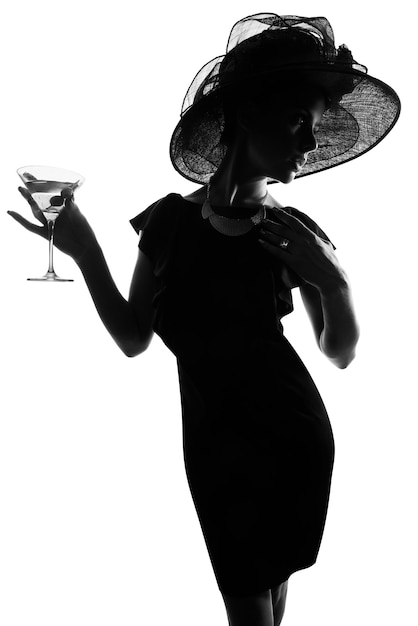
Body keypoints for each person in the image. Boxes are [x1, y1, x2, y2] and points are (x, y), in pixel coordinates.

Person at [8, 13, 400, 626]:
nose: (310, 143)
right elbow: (135, 339)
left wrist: (333, 279)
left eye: (314, 127)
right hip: (213, 446)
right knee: (256, 609)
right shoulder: (165, 223)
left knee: (260, 608)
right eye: (300, 120)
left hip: (290, 436)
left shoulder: (293, 232)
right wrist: (84, 254)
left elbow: (340, 351)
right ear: (248, 113)